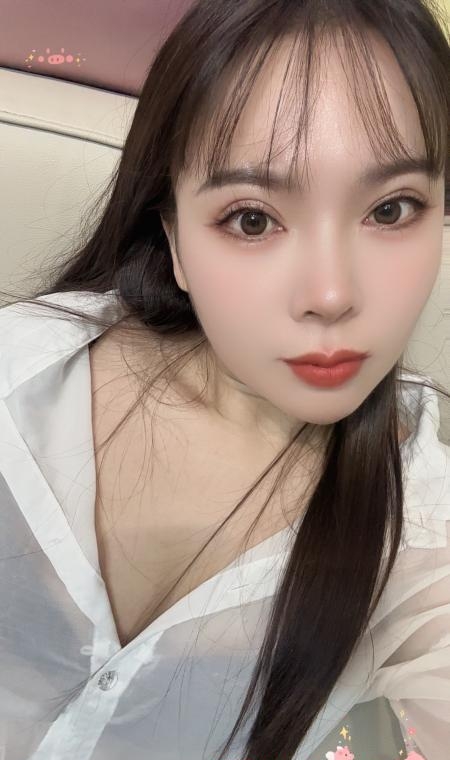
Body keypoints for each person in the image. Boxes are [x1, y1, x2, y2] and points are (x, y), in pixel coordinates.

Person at [0, 0, 449, 758]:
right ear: (174, 239)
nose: (331, 294)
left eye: (391, 208)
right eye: (252, 220)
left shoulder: (421, 529)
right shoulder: (21, 370)